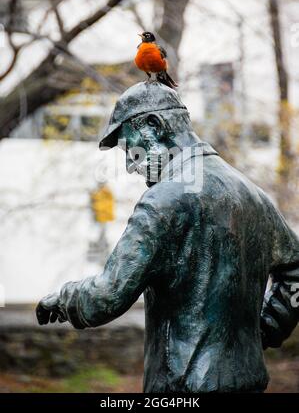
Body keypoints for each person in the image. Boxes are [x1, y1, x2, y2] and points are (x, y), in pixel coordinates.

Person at [36, 82, 299, 393]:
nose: (131, 165)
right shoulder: (252, 194)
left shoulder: (163, 201)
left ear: (155, 126)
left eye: (130, 149)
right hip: (248, 383)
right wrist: (265, 329)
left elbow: (107, 296)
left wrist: (63, 298)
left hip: (182, 387)